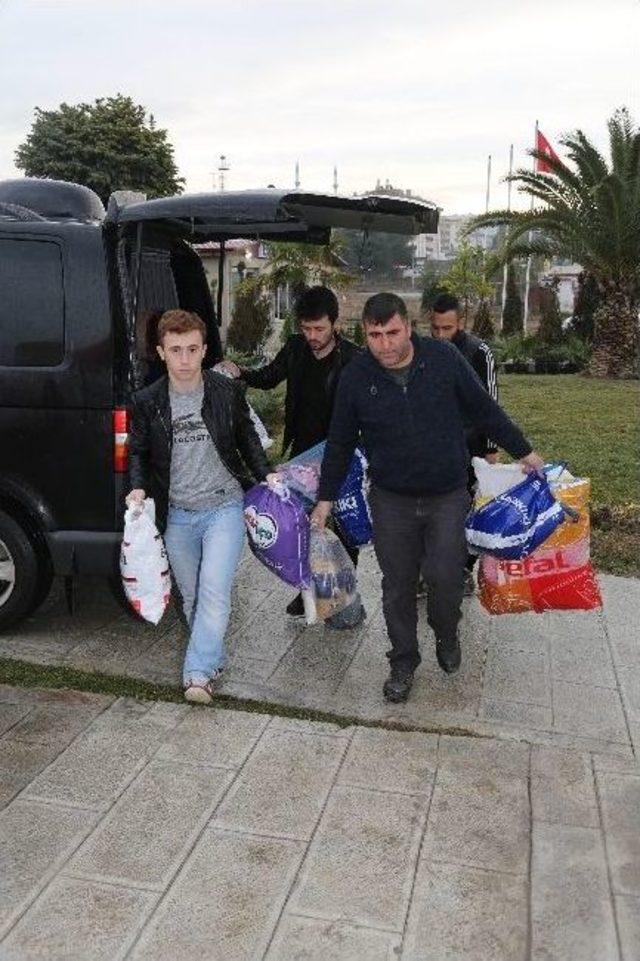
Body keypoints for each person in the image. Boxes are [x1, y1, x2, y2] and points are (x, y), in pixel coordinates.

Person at [311, 293, 544, 704]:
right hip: (391, 499)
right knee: (397, 586)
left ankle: (447, 631)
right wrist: (325, 498)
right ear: (364, 333)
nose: (384, 344)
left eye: (392, 333)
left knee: (444, 577)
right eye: (374, 335)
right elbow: (341, 441)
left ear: (408, 326)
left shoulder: (442, 360)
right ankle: (403, 660)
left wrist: (524, 451)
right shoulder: (356, 375)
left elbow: (484, 408)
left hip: (447, 494)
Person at [127, 309, 277, 705]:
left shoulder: (226, 392)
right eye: (175, 350)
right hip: (177, 513)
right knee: (192, 597)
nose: (184, 359)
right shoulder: (147, 401)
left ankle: (196, 676)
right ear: (161, 352)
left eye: (193, 349)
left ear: (204, 349)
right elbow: (139, 452)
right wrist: (138, 489)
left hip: (223, 508)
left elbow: (247, 439)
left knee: (213, 592)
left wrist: (266, 475)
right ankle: (212, 659)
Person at [220, 285, 362, 619]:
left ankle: (337, 598)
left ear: (334, 324)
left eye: (320, 329)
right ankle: (308, 590)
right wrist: (241, 372)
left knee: (338, 529)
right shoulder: (296, 349)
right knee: (300, 525)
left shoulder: (353, 359)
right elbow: (270, 377)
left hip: (337, 454)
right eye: (307, 328)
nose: (312, 336)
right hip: (301, 455)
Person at [431, 292, 499, 594]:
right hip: (434, 447)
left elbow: (491, 405)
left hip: (470, 447)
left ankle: (462, 570)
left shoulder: (478, 352)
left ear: (461, 322)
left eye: (448, 328)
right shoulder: (425, 349)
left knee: (468, 511)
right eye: (436, 328)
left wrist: (491, 448)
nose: (442, 335)